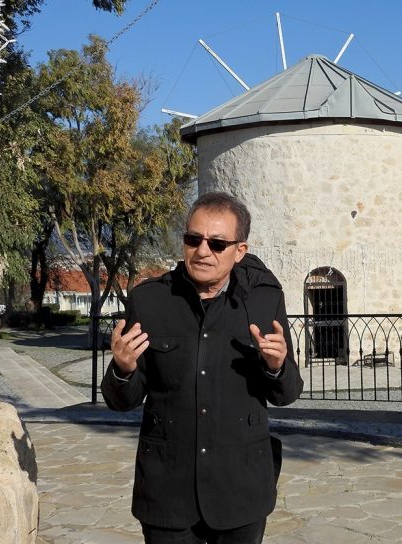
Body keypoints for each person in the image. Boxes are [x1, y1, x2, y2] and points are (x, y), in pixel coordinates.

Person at [101, 191, 303, 544]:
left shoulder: (265, 299)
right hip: (167, 492)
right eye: (193, 239)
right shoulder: (149, 301)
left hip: (241, 489)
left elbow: (287, 394)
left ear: (239, 250)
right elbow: (122, 401)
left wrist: (276, 365)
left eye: (217, 243)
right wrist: (123, 368)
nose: (202, 251)